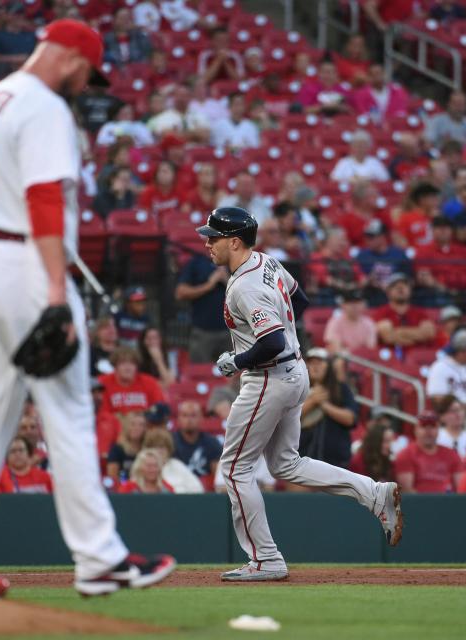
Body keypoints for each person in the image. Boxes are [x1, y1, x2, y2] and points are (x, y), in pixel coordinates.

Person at [0, 20, 176, 600]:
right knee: (70, 413)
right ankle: (100, 559)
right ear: (70, 56)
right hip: (23, 265)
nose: (86, 82)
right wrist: (57, 290)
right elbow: (44, 197)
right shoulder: (44, 107)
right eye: (87, 69)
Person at [197, 205, 402, 582]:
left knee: (235, 469)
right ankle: (373, 493)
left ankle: (265, 559)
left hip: (269, 378)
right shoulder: (266, 262)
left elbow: (271, 340)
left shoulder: (245, 284)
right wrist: (287, 339)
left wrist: (238, 360)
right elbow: (299, 299)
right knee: (285, 464)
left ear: (235, 241)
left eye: (213, 237)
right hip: (294, 371)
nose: (207, 243)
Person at [297, 348, 358, 469]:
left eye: (319, 362)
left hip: (336, 461)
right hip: (301, 458)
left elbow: (350, 419)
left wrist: (324, 405)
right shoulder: (298, 388)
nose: (315, 366)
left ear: (328, 366)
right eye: (311, 363)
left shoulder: (341, 389)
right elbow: (287, 418)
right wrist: (312, 401)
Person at [175, 252, 230, 364]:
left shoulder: (234, 262)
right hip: (203, 331)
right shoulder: (197, 262)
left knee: (231, 375)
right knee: (199, 372)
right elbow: (180, 293)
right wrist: (208, 285)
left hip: (231, 332)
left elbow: (249, 295)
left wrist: (227, 280)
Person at [393, 412, 463, 493]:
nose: (428, 431)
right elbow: (407, 491)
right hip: (418, 504)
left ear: (438, 430)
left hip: (448, 502)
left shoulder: (451, 455)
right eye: (424, 426)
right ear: (415, 430)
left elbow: (461, 487)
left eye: (432, 427)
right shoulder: (405, 455)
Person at [372, 272, 436, 350]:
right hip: (389, 357)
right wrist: (416, 334)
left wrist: (397, 332)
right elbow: (388, 337)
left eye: (405, 285)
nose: (400, 287)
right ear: (388, 292)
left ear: (410, 290)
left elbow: (428, 334)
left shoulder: (420, 313)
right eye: (394, 286)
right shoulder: (381, 312)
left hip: (417, 356)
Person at [98, 347, 166, 416]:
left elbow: (159, 409)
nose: (128, 368)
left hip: (143, 424)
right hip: (114, 424)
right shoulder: (103, 382)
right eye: (123, 363)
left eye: (132, 363)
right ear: (115, 366)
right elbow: (103, 414)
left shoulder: (149, 382)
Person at [172, 399, 222, 484]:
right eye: (185, 415)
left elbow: (219, 477)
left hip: (204, 492)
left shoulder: (211, 443)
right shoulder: (170, 442)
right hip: (176, 490)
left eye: (193, 415)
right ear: (178, 419)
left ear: (201, 418)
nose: (189, 420)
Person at [141, 428, 203, 493]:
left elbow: (198, 488)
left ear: (168, 449)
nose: (159, 451)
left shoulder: (177, 465)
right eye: (155, 447)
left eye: (162, 447)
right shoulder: (141, 466)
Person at [106, 411, 146, 484]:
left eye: (141, 425)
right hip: (124, 489)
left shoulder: (147, 449)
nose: (136, 428)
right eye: (133, 424)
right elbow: (112, 476)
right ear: (127, 426)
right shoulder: (118, 449)